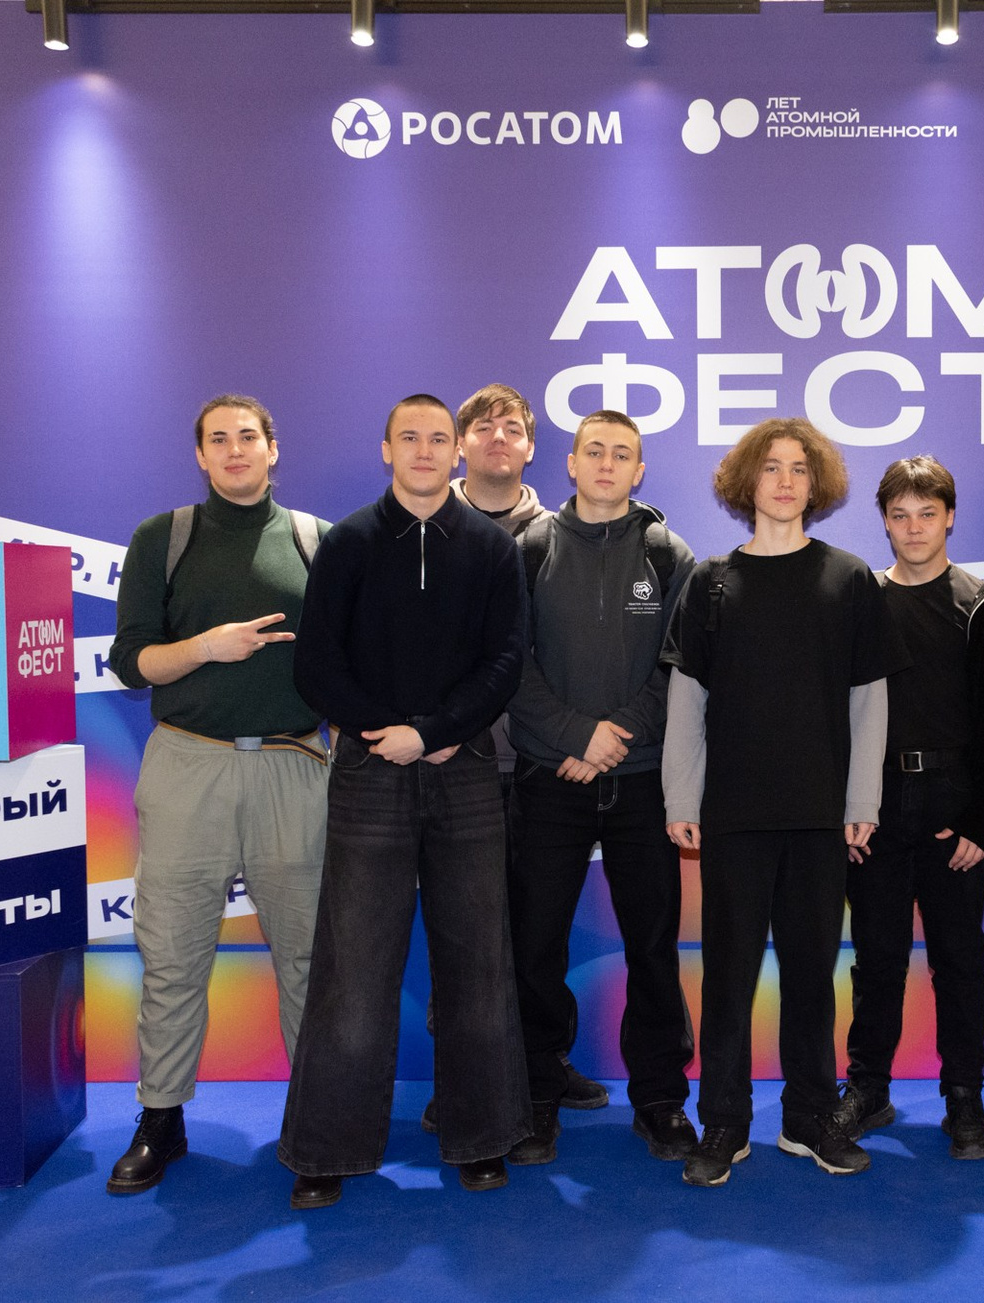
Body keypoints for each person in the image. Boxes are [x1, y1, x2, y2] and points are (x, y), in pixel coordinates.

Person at [278, 394, 530, 1208]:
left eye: (438, 438)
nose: (425, 449)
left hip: (465, 770)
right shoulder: (349, 542)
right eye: (409, 437)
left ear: (457, 452)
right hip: (369, 769)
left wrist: (436, 731)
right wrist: (386, 731)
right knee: (352, 967)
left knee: (478, 963)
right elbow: (317, 664)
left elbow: (505, 661)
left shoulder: (492, 546)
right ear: (386, 449)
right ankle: (328, 1148)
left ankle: (481, 1136)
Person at [661, 417, 903, 1187]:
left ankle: (808, 1118)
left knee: (810, 975)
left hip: (820, 817)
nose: (786, 480)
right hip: (733, 816)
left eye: (800, 467)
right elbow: (687, 699)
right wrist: (680, 794)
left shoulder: (850, 579)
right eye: (771, 466)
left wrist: (863, 799)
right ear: (747, 482)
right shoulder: (710, 581)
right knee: (728, 976)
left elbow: (870, 699)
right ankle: (724, 1122)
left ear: (817, 482)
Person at [105, 394, 328, 1195]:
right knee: (172, 954)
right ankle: (161, 1118)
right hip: (186, 766)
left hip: (293, 767)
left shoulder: (316, 541)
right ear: (201, 455)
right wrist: (206, 647)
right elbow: (131, 661)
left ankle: (317, 1122)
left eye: (249, 437)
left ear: (274, 448)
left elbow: (349, 659)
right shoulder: (162, 538)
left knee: (309, 957)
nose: (235, 449)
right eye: (219, 439)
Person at [504, 410, 698, 1165]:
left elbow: (680, 666)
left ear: (639, 470)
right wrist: (574, 735)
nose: (608, 463)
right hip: (548, 778)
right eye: (595, 451)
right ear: (572, 463)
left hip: (643, 782)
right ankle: (537, 1090)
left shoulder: (668, 553)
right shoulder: (529, 548)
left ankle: (659, 1098)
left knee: (651, 945)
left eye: (622, 454)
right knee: (534, 944)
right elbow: (510, 664)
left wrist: (614, 734)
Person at [836, 455, 984, 1161]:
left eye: (927, 514)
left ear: (950, 518)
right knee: (876, 958)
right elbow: (837, 716)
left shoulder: (982, 606)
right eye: (900, 515)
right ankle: (868, 1087)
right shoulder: (861, 604)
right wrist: (849, 805)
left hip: (954, 805)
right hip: (875, 803)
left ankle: (964, 1095)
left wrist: (982, 820)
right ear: (884, 522)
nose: (914, 528)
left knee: (959, 959)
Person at [440, 382, 607, 1116]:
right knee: (461, 933)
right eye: (483, 426)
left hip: (542, 765)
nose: (498, 437)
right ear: (460, 444)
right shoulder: (428, 523)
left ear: (533, 447)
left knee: (540, 932)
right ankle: (462, 1080)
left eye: (512, 427)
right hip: (451, 764)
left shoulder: (563, 533)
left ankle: (544, 1064)